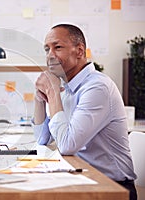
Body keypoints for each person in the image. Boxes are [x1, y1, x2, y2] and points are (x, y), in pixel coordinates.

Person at [33, 24, 137, 200]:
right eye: (46, 49)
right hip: (83, 178)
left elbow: (67, 145)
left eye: (57, 47)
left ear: (80, 51)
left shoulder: (97, 87)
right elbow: (42, 139)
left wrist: (52, 93)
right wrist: (39, 99)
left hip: (111, 188)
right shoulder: (67, 86)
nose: (50, 55)